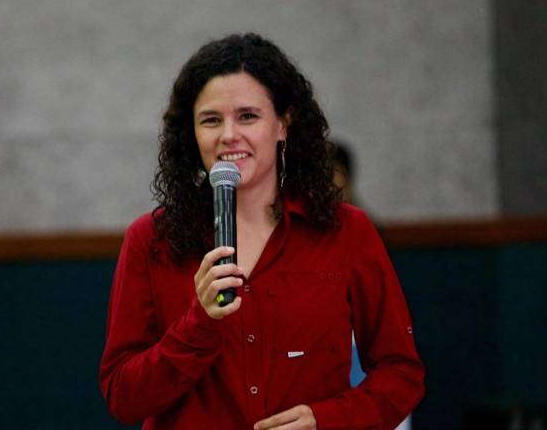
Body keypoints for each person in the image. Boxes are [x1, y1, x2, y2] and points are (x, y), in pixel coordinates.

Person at [99, 33, 424, 429]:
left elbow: (402, 373)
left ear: (283, 124)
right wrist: (198, 323)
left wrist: (327, 421)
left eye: (247, 116)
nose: (228, 135)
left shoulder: (346, 231)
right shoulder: (150, 240)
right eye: (211, 120)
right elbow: (124, 397)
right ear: (191, 133)